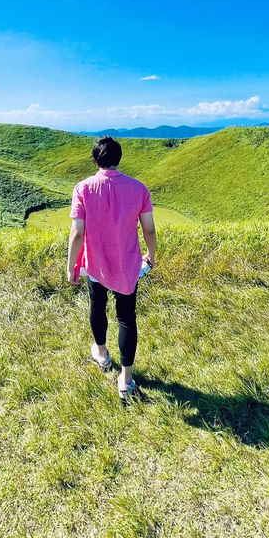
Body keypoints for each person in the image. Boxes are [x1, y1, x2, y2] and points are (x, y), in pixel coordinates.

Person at [66, 136, 157, 400]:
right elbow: (148, 228)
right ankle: (125, 380)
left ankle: (102, 354)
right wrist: (151, 254)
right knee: (127, 318)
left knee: (97, 306)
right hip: (127, 263)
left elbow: (77, 232)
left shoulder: (82, 188)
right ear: (119, 159)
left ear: (95, 161)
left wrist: (71, 264)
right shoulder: (138, 189)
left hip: (96, 263)